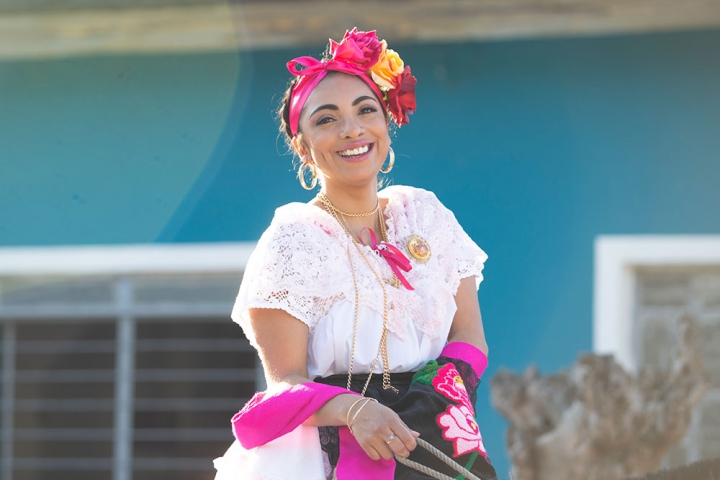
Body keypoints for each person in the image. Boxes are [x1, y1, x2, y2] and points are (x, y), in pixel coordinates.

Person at [214, 28, 497, 480]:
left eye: (366, 110)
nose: (352, 129)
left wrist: (432, 406)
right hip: (326, 449)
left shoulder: (425, 217)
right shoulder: (293, 241)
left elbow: (469, 337)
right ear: (303, 147)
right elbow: (284, 382)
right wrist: (355, 410)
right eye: (327, 119)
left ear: (386, 124)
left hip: (431, 436)